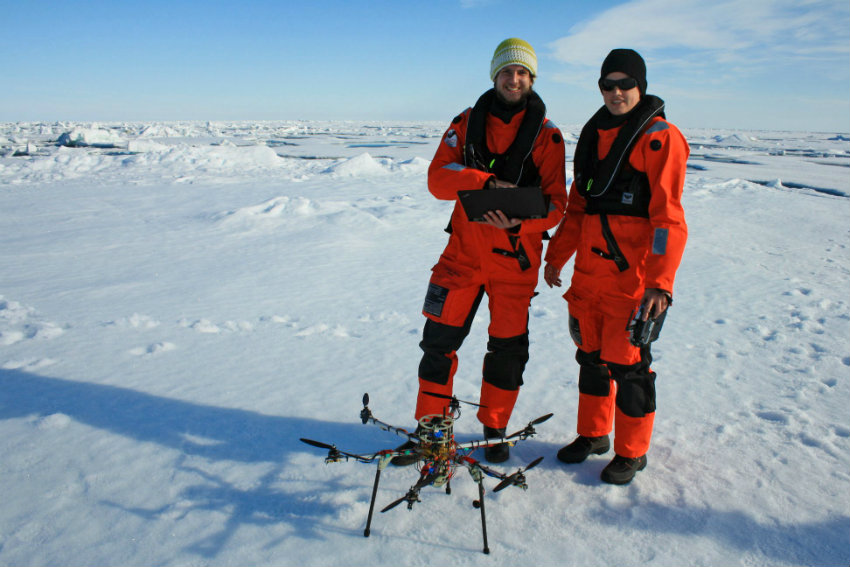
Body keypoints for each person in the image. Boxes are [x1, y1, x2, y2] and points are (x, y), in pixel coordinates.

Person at [395, 38, 567, 465]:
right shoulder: (465, 124)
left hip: (514, 262)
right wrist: (484, 182)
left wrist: (520, 222)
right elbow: (437, 180)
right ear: (495, 76)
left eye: (523, 73)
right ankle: (429, 430)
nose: (514, 79)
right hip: (462, 258)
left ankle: (495, 430)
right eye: (507, 71)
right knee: (437, 345)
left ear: (532, 78)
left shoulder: (548, 137)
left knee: (507, 352)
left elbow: (557, 205)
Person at [543, 48, 688, 484]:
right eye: (608, 85)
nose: (617, 92)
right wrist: (556, 257)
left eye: (625, 84)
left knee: (629, 369)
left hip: (633, 283)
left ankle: (632, 451)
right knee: (590, 360)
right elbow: (577, 211)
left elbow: (668, 220)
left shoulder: (658, 137)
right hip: (589, 279)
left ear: (640, 86)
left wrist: (660, 284)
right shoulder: (594, 136)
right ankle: (593, 435)